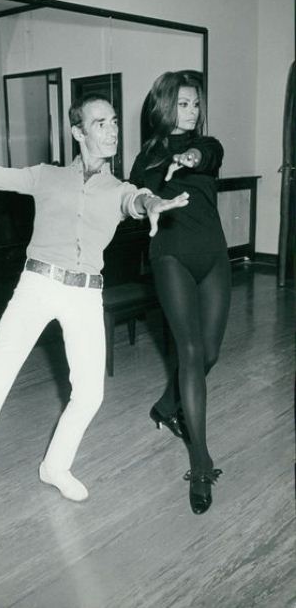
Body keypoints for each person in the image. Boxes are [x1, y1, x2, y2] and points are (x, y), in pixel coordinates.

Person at [0, 94, 189, 533]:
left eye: (114, 121)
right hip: (37, 285)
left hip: (85, 293)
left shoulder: (118, 189)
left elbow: (137, 200)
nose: (112, 130)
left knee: (90, 395)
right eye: (100, 123)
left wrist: (152, 204)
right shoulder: (46, 176)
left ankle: (55, 466)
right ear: (78, 132)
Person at [129, 72, 231, 514]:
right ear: (165, 106)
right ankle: (201, 463)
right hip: (170, 257)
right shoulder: (146, 158)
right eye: (183, 104)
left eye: (195, 104)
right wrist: (164, 169)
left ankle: (167, 406)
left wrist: (189, 156)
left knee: (210, 353)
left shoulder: (207, 146)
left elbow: (210, 154)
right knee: (190, 352)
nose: (192, 112)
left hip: (214, 256)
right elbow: (140, 189)